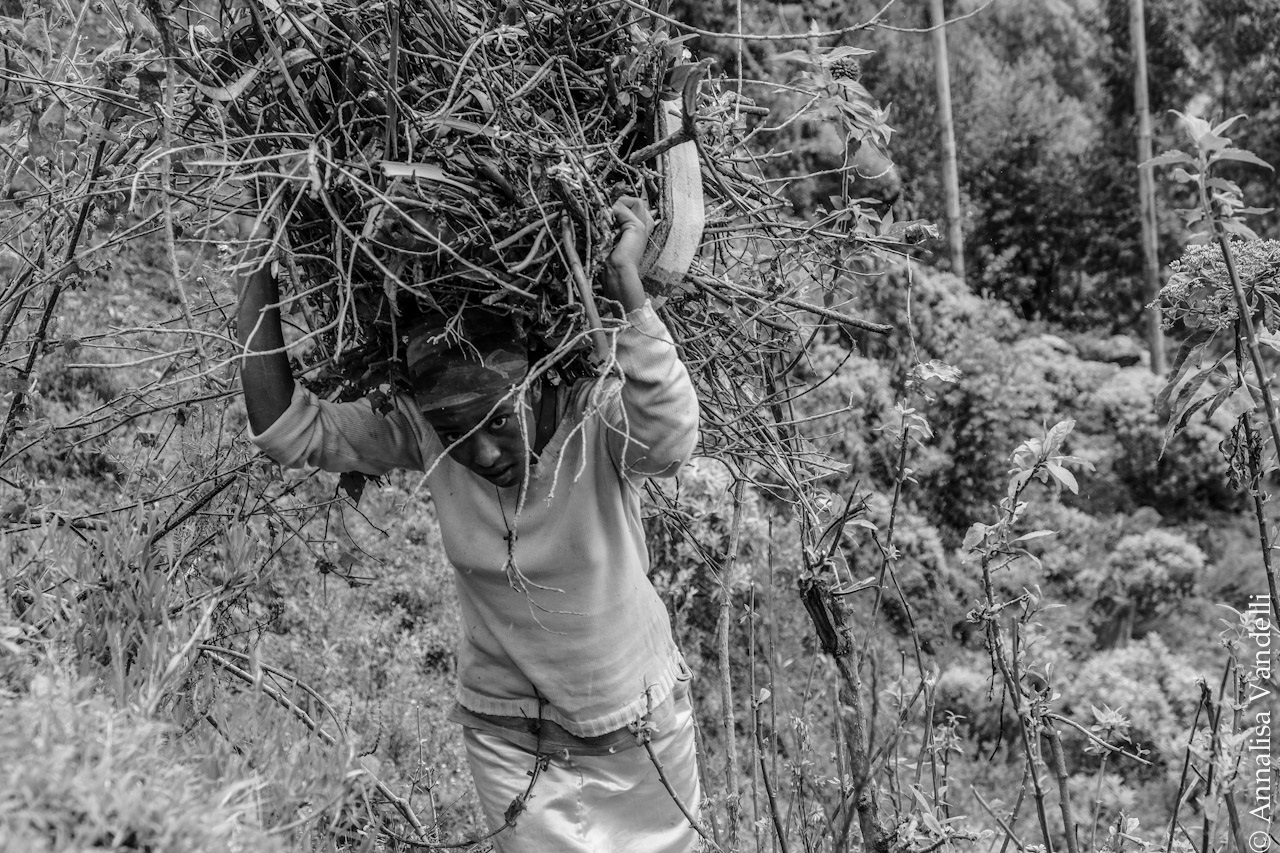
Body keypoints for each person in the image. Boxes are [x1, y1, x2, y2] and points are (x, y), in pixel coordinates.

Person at [236, 196, 703, 852]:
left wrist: (625, 284)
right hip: (509, 743)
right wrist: (258, 257)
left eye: (496, 421)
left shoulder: (594, 421)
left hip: (637, 738)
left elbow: (675, 437)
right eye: (454, 431)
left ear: (536, 383)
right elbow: (284, 428)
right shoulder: (424, 432)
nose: (479, 454)